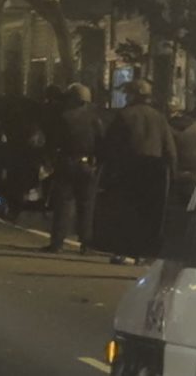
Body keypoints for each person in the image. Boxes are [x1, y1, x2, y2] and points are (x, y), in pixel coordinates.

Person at [104, 79, 177, 262]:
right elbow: (170, 148)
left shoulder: (124, 115)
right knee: (150, 213)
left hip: (129, 168)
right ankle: (144, 254)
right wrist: (173, 174)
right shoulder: (159, 117)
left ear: (133, 95)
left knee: (126, 211)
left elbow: (111, 146)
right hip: (155, 170)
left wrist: (109, 171)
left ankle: (123, 251)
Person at [44, 83, 104, 253]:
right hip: (87, 165)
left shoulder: (63, 117)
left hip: (67, 162)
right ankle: (86, 244)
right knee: (86, 206)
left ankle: (57, 243)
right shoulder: (95, 119)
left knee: (63, 204)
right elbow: (101, 142)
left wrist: (49, 160)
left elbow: (53, 142)